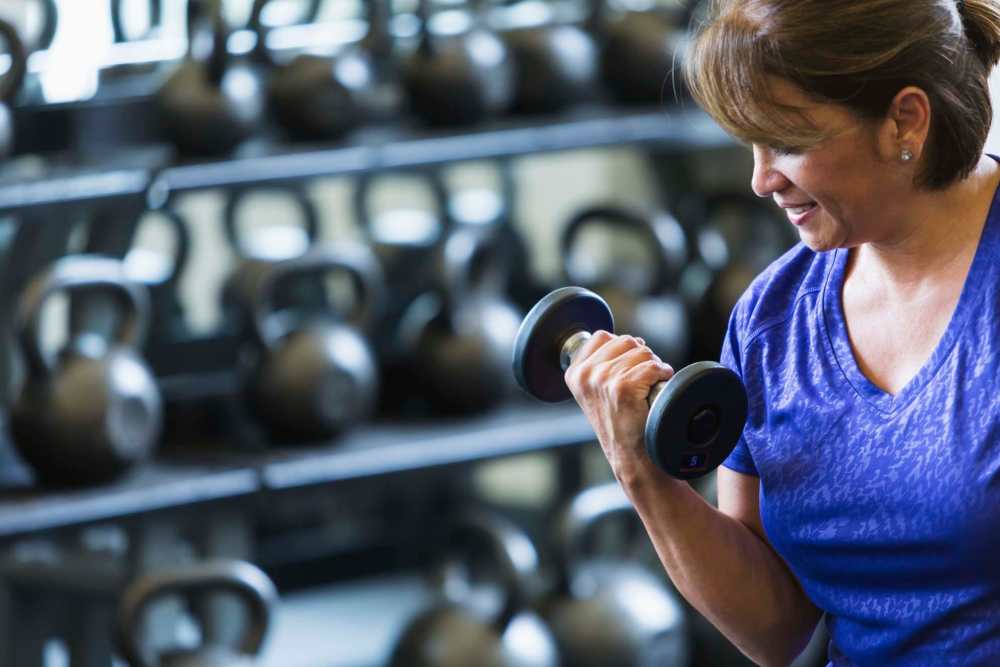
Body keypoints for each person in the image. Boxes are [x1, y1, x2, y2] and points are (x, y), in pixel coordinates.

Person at [563, 0, 1000, 665]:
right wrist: (641, 471)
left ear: (903, 120)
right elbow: (775, 627)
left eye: (788, 142)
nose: (761, 178)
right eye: (750, 144)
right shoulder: (772, 319)